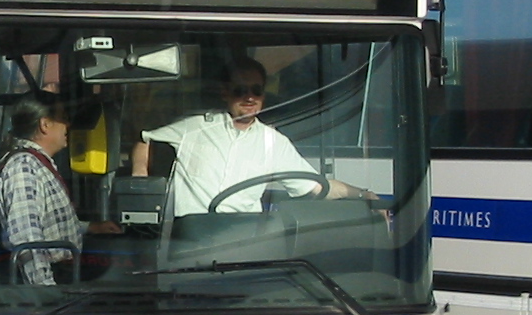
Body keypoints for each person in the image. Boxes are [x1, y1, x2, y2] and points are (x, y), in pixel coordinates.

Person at [131, 58, 376, 217]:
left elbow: (316, 187)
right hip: (185, 237)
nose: (249, 98)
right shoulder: (194, 128)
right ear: (225, 93)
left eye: (256, 91)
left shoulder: (273, 142)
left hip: (242, 239)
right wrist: (139, 180)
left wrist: (363, 195)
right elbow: (145, 141)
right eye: (240, 90)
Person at [0, 95, 119, 285]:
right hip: (52, 279)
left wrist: (91, 227)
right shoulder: (23, 166)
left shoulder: (38, 163)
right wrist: (45, 291)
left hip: (66, 273)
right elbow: (26, 238)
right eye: (63, 118)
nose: (68, 125)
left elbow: (50, 223)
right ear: (45, 124)